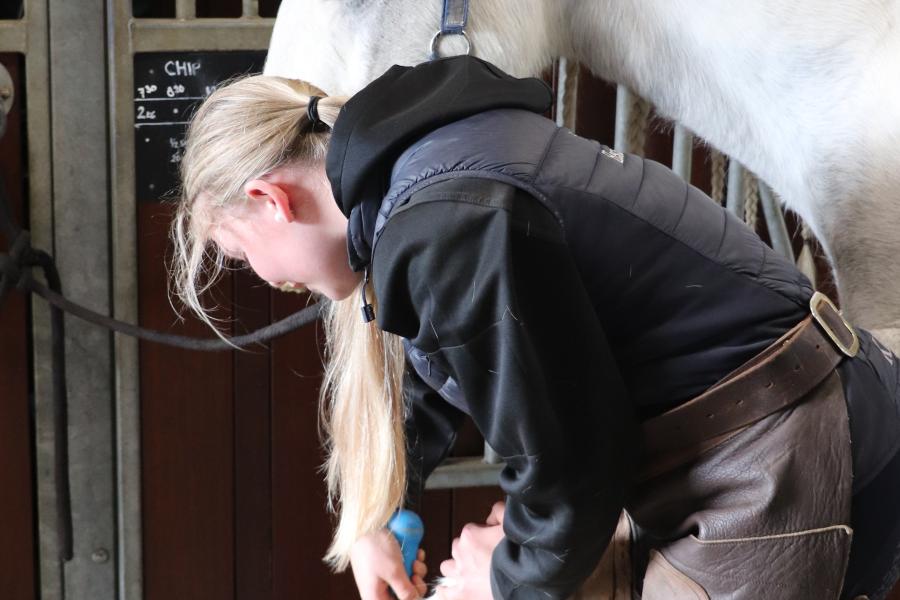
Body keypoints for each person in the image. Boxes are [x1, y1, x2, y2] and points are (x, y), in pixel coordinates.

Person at [170, 56, 900, 600]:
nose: (269, 280)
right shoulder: (419, 174)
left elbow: (572, 470)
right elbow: (438, 363)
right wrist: (386, 510)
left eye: (243, 257)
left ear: (271, 200)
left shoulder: (442, 224)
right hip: (760, 441)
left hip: (789, 456)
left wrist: (502, 578)